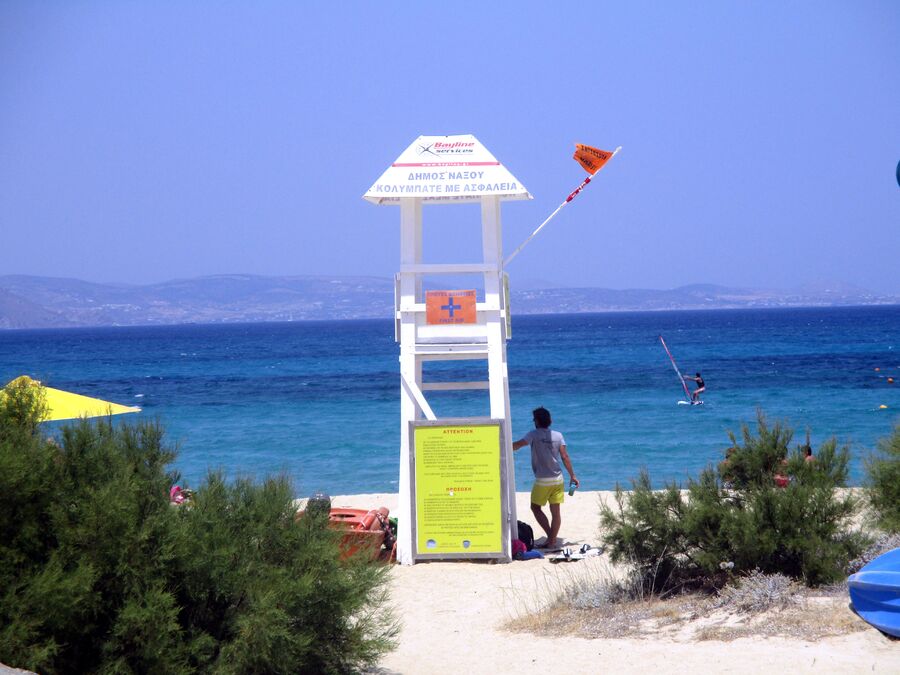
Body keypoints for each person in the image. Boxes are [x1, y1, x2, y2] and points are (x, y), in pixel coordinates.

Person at [512, 407, 578, 549]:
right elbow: (565, 456)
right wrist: (573, 475)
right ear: (550, 420)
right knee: (556, 511)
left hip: (542, 480)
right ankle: (553, 539)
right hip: (558, 479)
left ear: (536, 421)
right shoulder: (558, 435)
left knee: (535, 508)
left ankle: (551, 536)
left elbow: (518, 445)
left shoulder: (533, 434)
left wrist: (504, 446)